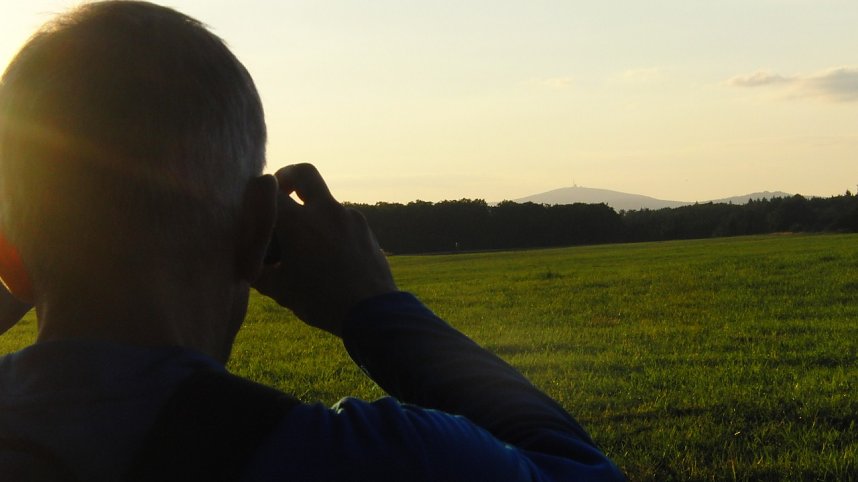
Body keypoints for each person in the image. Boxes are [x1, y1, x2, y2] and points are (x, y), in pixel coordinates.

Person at [0, 2, 626, 480]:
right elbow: (577, 469)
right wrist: (375, 308)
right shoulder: (372, 459)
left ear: (8, 258)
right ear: (257, 230)